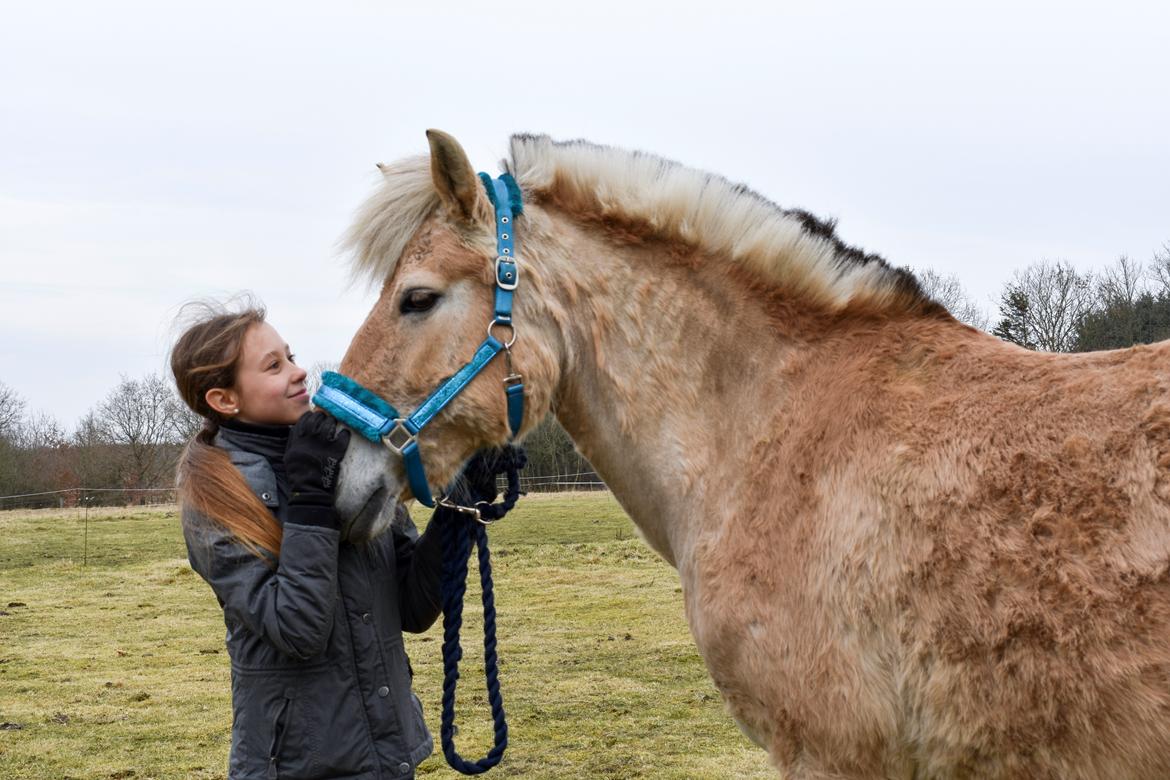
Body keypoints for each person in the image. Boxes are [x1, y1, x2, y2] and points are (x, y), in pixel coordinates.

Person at [170, 300, 489, 780]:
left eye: (291, 356)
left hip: (386, 753)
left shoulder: (346, 462)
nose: (300, 373)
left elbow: (413, 607)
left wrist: (458, 511)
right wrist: (309, 500)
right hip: (298, 766)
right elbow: (299, 629)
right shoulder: (217, 501)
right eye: (274, 366)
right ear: (224, 400)